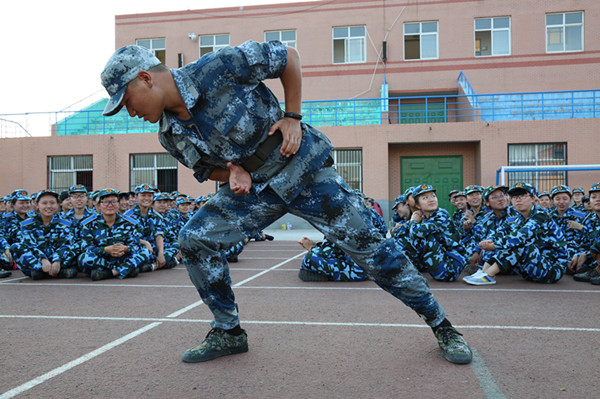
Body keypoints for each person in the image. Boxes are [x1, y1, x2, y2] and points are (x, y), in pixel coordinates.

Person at [101, 42, 472, 365]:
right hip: (254, 192)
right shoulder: (169, 133)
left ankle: (443, 326)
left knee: (372, 247)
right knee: (194, 239)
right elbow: (206, 170)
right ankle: (228, 332)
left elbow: (288, 58)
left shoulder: (220, 67)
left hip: (303, 170)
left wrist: (293, 117)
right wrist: (232, 171)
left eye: (126, 101)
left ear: (146, 78)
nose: (128, 111)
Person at [463, 182, 568, 286]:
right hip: (530, 268)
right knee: (502, 241)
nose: (518, 199)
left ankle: (489, 275)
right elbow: (500, 232)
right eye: (514, 196)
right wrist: (488, 242)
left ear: (533, 198)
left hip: (551, 270)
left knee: (517, 242)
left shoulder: (541, 215)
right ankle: (484, 272)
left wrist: (494, 245)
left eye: (522, 196)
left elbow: (520, 237)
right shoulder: (518, 218)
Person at [78, 188, 145, 280]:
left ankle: (111, 273)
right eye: (105, 202)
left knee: (146, 252)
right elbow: (86, 248)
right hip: (102, 259)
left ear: (119, 204)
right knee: (83, 258)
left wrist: (125, 248)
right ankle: (126, 269)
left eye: (114, 201)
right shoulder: (89, 224)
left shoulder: (130, 223)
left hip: (122, 258)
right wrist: (105, 250)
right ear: (99, 205)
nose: (110, 205)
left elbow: (136, 245)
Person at [11, 190, 77, 280]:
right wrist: (43, 259)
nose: (48, 206)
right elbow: (30, 244)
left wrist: (57, 260)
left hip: (58, 260)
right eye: (44, 203)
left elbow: (66, 244)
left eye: (52, 203)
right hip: (39, 260)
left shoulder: (66, 223)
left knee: (77, 246)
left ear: (58, 204)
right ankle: (44, 270)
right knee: (16, 247)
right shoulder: (27, 224)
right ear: (37, 205)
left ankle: (45, 272)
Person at [408, 184, 467, 281]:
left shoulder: (441, 214)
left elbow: (416, 232)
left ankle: (409, 268)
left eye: (433, 196)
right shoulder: (426, 218)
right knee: (405, 234)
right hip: (442, 259)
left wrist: (413, 221)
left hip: (451, 267)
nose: (431, 199)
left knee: (421, 236)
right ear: (418, 205)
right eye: (425, 198)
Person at [547, 185, 588, 275]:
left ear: (570, 200)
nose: (561, 202)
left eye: (565, 199)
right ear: (552, 201)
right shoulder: (547, 217)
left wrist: (578, 254)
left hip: (574, 252)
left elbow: (587, 239)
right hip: (554, 252)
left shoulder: (581, 216)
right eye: (557, 199)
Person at [573, 183, 600, 284]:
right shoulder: (589, 219)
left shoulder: (578, 213)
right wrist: (578, 255)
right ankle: (595, 269)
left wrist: (587, 254)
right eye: (594, 197)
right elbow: (584, 243)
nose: (597, 199)